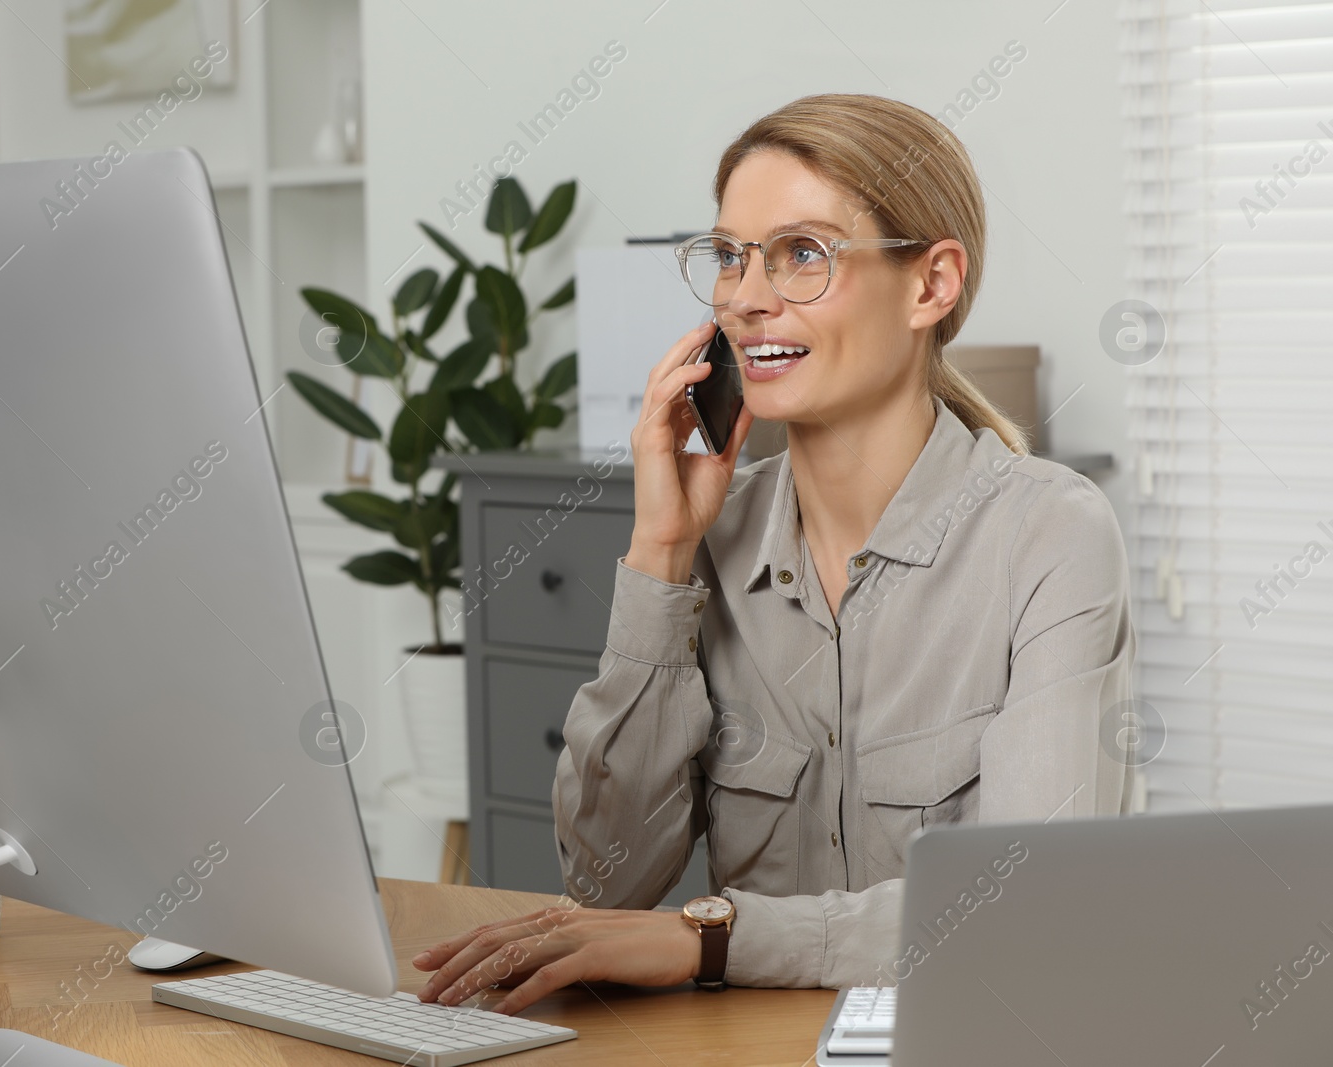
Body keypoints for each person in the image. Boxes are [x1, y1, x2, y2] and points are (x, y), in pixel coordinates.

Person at [413, 92, 1133, 1014]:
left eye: (802, 254)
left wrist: (708, 936)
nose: (746, 298)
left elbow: (1029, 911)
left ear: (932, 284)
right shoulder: (712, 538)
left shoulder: (1050, 537)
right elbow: (606, 884)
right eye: (727, 256)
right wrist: (661, 554)